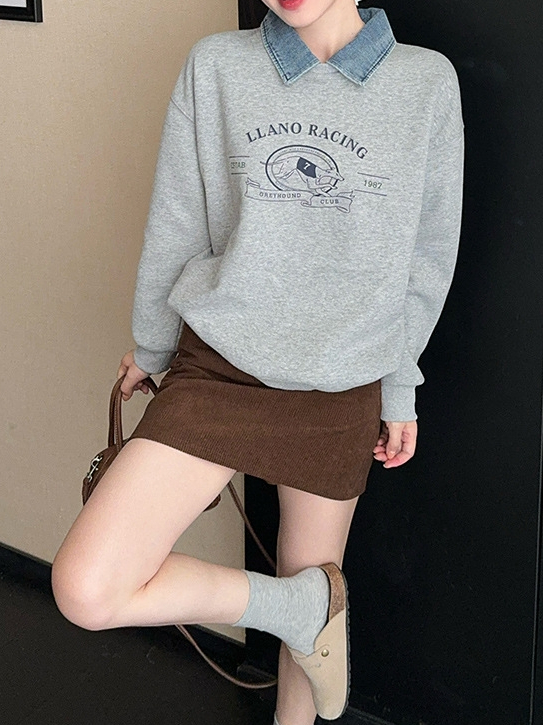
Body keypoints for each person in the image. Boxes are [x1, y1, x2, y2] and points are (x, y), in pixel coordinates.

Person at [51, 1, 464, 723]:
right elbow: (178, 220)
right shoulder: (217, 65)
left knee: (311, 619)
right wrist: (152, 346)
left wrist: (400, 383)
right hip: (221, 366)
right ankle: (297, 607)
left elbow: (425, 258)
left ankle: (303, 629)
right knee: (86, 586)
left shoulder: (425, 82)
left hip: (342, 377)